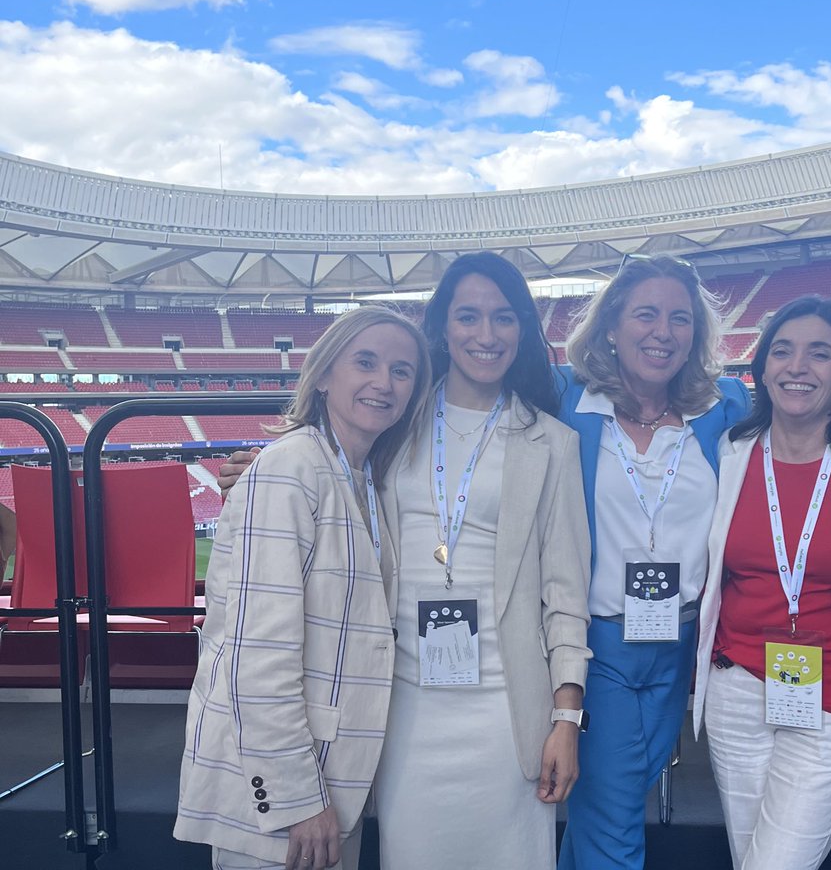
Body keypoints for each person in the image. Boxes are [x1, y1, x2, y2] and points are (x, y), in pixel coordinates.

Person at [555, 255, 831, 870]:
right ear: (611, 326)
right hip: (602, 644)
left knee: (621, 811)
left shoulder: (722, 409)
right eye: (645, 314)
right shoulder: (566, 399)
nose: (663, 332)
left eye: (679, 319)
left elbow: (804, 399)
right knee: (611, 818)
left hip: (685, 645)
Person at [175, 305, 432, 870]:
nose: (383, 382)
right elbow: (256, 655)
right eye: (365, 362)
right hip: (285, 797)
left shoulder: (364, 478)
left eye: (402, 371)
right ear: (323, 374)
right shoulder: (290, 470)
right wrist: (295, 796)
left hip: (335, 780)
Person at [371, 252, 590, 870]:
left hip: (506, 710)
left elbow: (566, 594)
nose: (486, 336)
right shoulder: (393, 422)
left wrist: (566, 719)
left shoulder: (552, 443)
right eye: (469, 317)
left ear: (522, 330)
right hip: (405, 707)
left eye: (504, 318)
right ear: (441, 326)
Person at [692, 296, 831, 870]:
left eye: (820, 354)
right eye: (782, 352)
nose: (797, 367)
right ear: (762, 369)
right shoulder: (734, 449)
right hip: (735, 691)